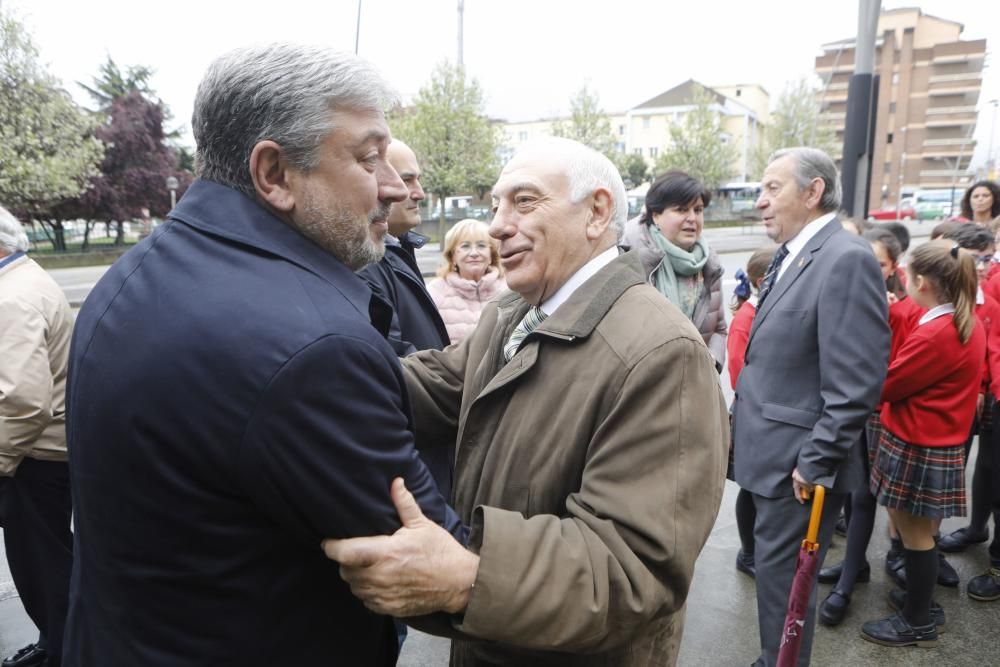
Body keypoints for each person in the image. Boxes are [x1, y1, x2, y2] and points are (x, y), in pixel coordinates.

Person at [63, 44, 462, 667]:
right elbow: (426, 560)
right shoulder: (315, 347)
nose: (392, 186)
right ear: (274, 174)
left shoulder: (132, 273)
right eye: (367, 157)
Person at [324, 137, 729, 666]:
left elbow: (631, 570)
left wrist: (466, 577)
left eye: (524, 201)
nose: (495, 225)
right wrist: (317, 374)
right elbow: (439, 383)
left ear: (597, 212)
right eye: (495, 205)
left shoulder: (662, 354)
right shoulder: (513, 311)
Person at [731, 147, 890, 667]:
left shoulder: (846, 258)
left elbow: (856, 382)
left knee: (786, 590)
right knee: (777, 584)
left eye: (772, 188)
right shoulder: (797, 253)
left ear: (813, 190)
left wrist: (815, 461)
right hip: (772, 455)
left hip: (798, 467)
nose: (760, 202)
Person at [861, 241, 985, 647]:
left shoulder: (935, 333)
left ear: (922, 283)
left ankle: (918, 621)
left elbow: (890, 384)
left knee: (916, 537)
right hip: (937, 438)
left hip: (918, 443)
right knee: (921, 536)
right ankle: (921, 601)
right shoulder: (966, 321)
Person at [817, 228, 920, 626]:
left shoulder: (903, 312)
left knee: (863, 496)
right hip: (845, 406)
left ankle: (846, 582)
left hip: (879, 410)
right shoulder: (845, 294)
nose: (869, 270)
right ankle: (854, 564)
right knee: (845, 489)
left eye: (879, 264)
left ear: (894, 267)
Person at [0, 208, 73, 667]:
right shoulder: (24, 281)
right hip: (43, 454)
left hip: (33, 459)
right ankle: (58, 643)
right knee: (47, 563)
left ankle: (65, 650)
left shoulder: (12, 298)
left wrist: (1, 461)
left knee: (42, 568)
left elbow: (23, 401)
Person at [623, 171, 727, 370]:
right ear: (656, 215)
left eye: (698, 210)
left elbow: (719, 330)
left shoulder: (709, 265)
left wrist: (712, 360)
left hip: (693, 384)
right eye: (681, 210)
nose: (692, 218)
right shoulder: (629, 257)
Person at [359, 139, 450, 355]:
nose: (419, 193)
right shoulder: (363, 263)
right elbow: (396, 362)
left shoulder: (400, 248)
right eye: (406, 179)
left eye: (417, 180)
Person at [727, 245, 777, 579]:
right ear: (763, 280)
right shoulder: (747, 316)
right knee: (751, 486)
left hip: (766, 411)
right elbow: (736, 370)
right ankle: (748, 553)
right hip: (752, 412)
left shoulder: (769, 309)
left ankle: (760, 547)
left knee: (762, 486)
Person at [427, 218, 506, 343]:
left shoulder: (510, 289)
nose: (474, 253)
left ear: (491, 254)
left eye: (481, 245)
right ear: (453, 256)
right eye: (465, 246)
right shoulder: (435, 292)